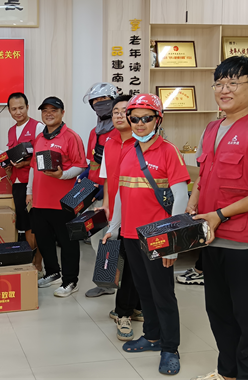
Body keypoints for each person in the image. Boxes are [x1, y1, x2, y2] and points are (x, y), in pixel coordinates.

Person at [190, 56, 248, 380]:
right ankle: (227, 374)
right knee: (219, 313)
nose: (224, 90)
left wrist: (219, 214)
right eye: (219, 83)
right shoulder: (212, 127)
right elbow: (204, 175)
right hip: (211, 237)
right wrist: (193, 203)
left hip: (245, 244)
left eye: (233, 83)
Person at [103, 94, 190, 376]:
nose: (140, 124)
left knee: (163, 293)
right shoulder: (129, 151)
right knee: (143, 289)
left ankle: (170, 347)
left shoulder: (168, 151)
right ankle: (152, 336)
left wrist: (173, 243)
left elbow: (180, 197)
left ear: (158, 119)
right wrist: (114, 226)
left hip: (158, 236)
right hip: (131, 234)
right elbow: (121, 194)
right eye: (134, 118)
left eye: (146, 118)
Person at [27, 96, 87, 297]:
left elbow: (80, 166)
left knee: (68, 242)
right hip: (40, 200)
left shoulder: (71, 137)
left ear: (62, 113)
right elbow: (33, 168)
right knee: (44, 239)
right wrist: (29, 192)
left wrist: (63, 175)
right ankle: (53, 273)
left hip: (64, 202)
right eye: (45, 110)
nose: (49, 114)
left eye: (53, 110)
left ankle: (71, 281)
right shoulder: (39, 138)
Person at [97, 94, 143, 341]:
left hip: (139, 210)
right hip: (117, 211)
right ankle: (123, 310)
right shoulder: (109, 142)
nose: (118, 115)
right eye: (115, 111)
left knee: (135, 261)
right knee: (123, 261)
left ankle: (131, 307)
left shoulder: (142, 141)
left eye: (124, 111)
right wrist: (106, 204)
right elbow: (107, 177)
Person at [81, 82, 120, 298]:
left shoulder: (122, 131)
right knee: (98, 241)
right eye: (95, 101)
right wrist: (84, 182)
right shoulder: (94, 133)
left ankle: (118, 284)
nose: (99, 104)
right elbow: (93, 165)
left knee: (113, 240)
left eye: (104, 100)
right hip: (96, 196)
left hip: (117, 196)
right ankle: (106, 283)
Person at [5, 92, 44, 273]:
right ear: (9, 110)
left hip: (34, 183)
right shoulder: (11, 130)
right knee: (24, 224)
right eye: (14, 109)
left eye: (21, 108)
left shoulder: (38, 127)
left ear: (27, 107)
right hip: (18, 182)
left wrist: (26, 164)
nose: (18, 112)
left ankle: (38, 263)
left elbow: (42, 157)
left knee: (34, 224)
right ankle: (29, 261)